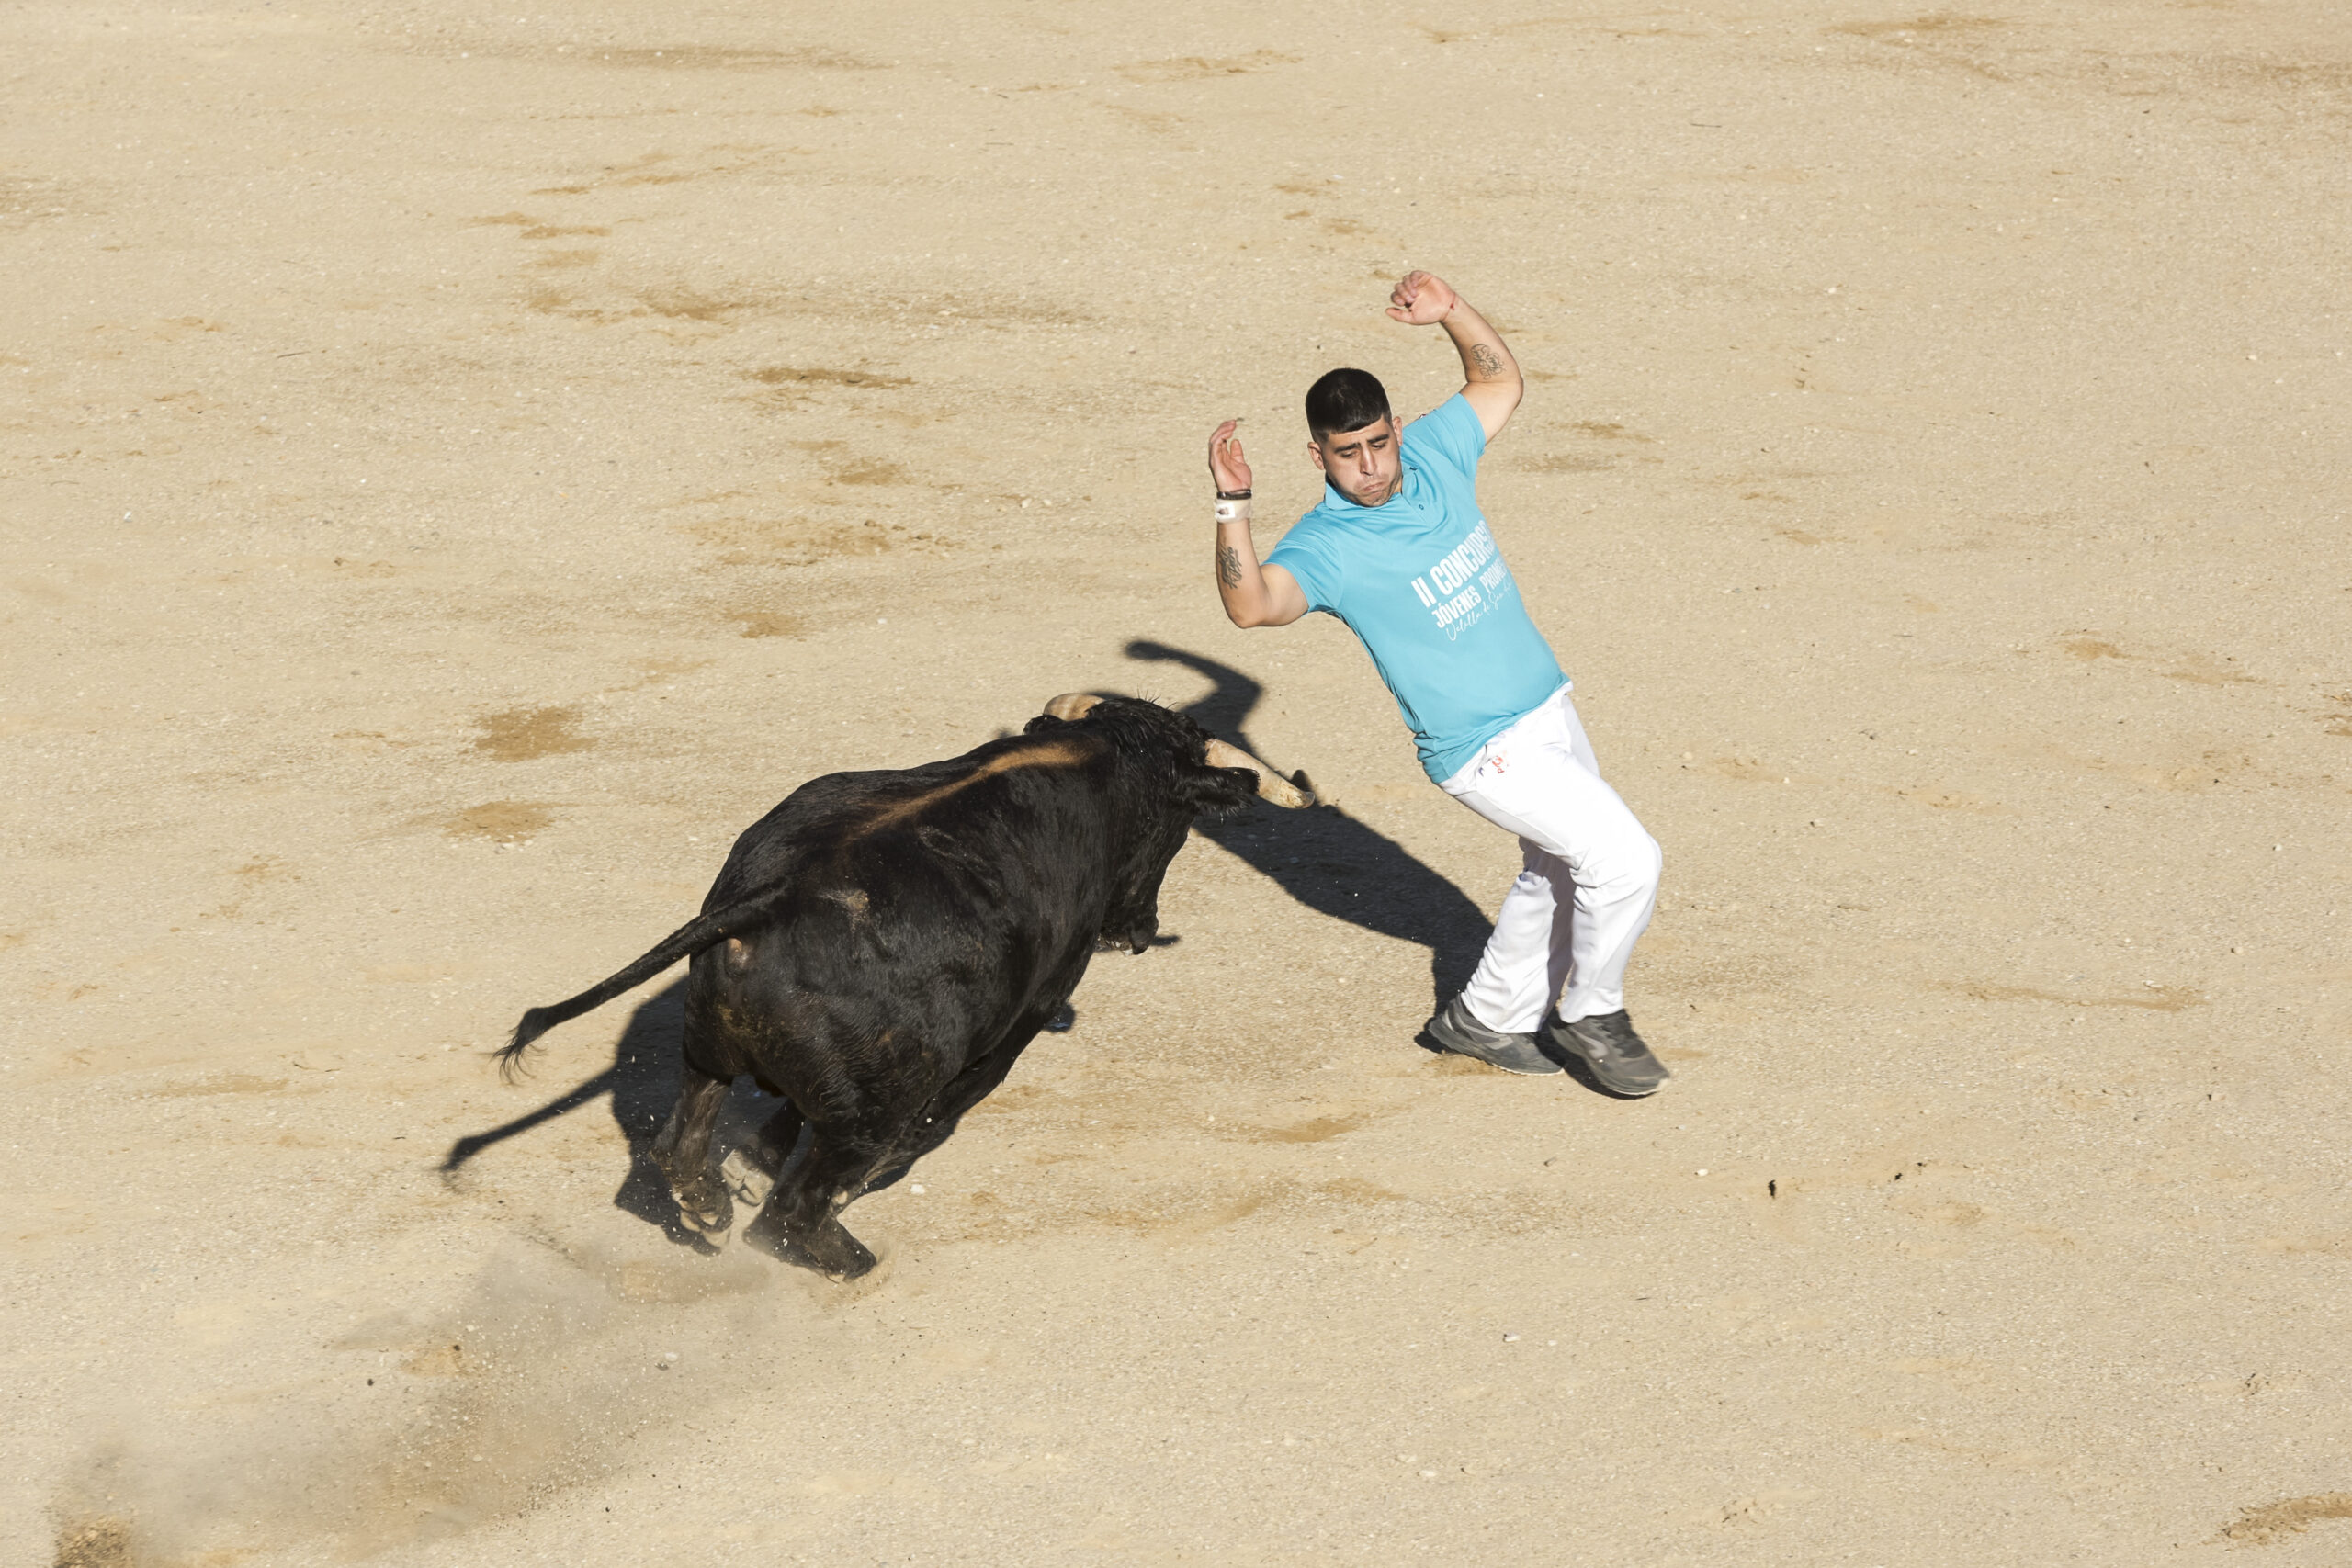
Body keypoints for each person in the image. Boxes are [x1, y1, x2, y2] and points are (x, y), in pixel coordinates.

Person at [1204, 271, 1668, 1095]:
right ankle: (1593, 1009)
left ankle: (1486, 1016)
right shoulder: (1326, 546)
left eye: (1378, 442)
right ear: (1317, 456)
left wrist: (1451, 311)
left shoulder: (1437, 451)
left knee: (1558, 868)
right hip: (1482, 749)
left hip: (1547, 706)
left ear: (1396, 429)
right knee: (1624, 857)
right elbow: (1251, 606)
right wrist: (1232, 504)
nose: (1371, 465)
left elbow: (1499, 381)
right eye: (1347, 454)